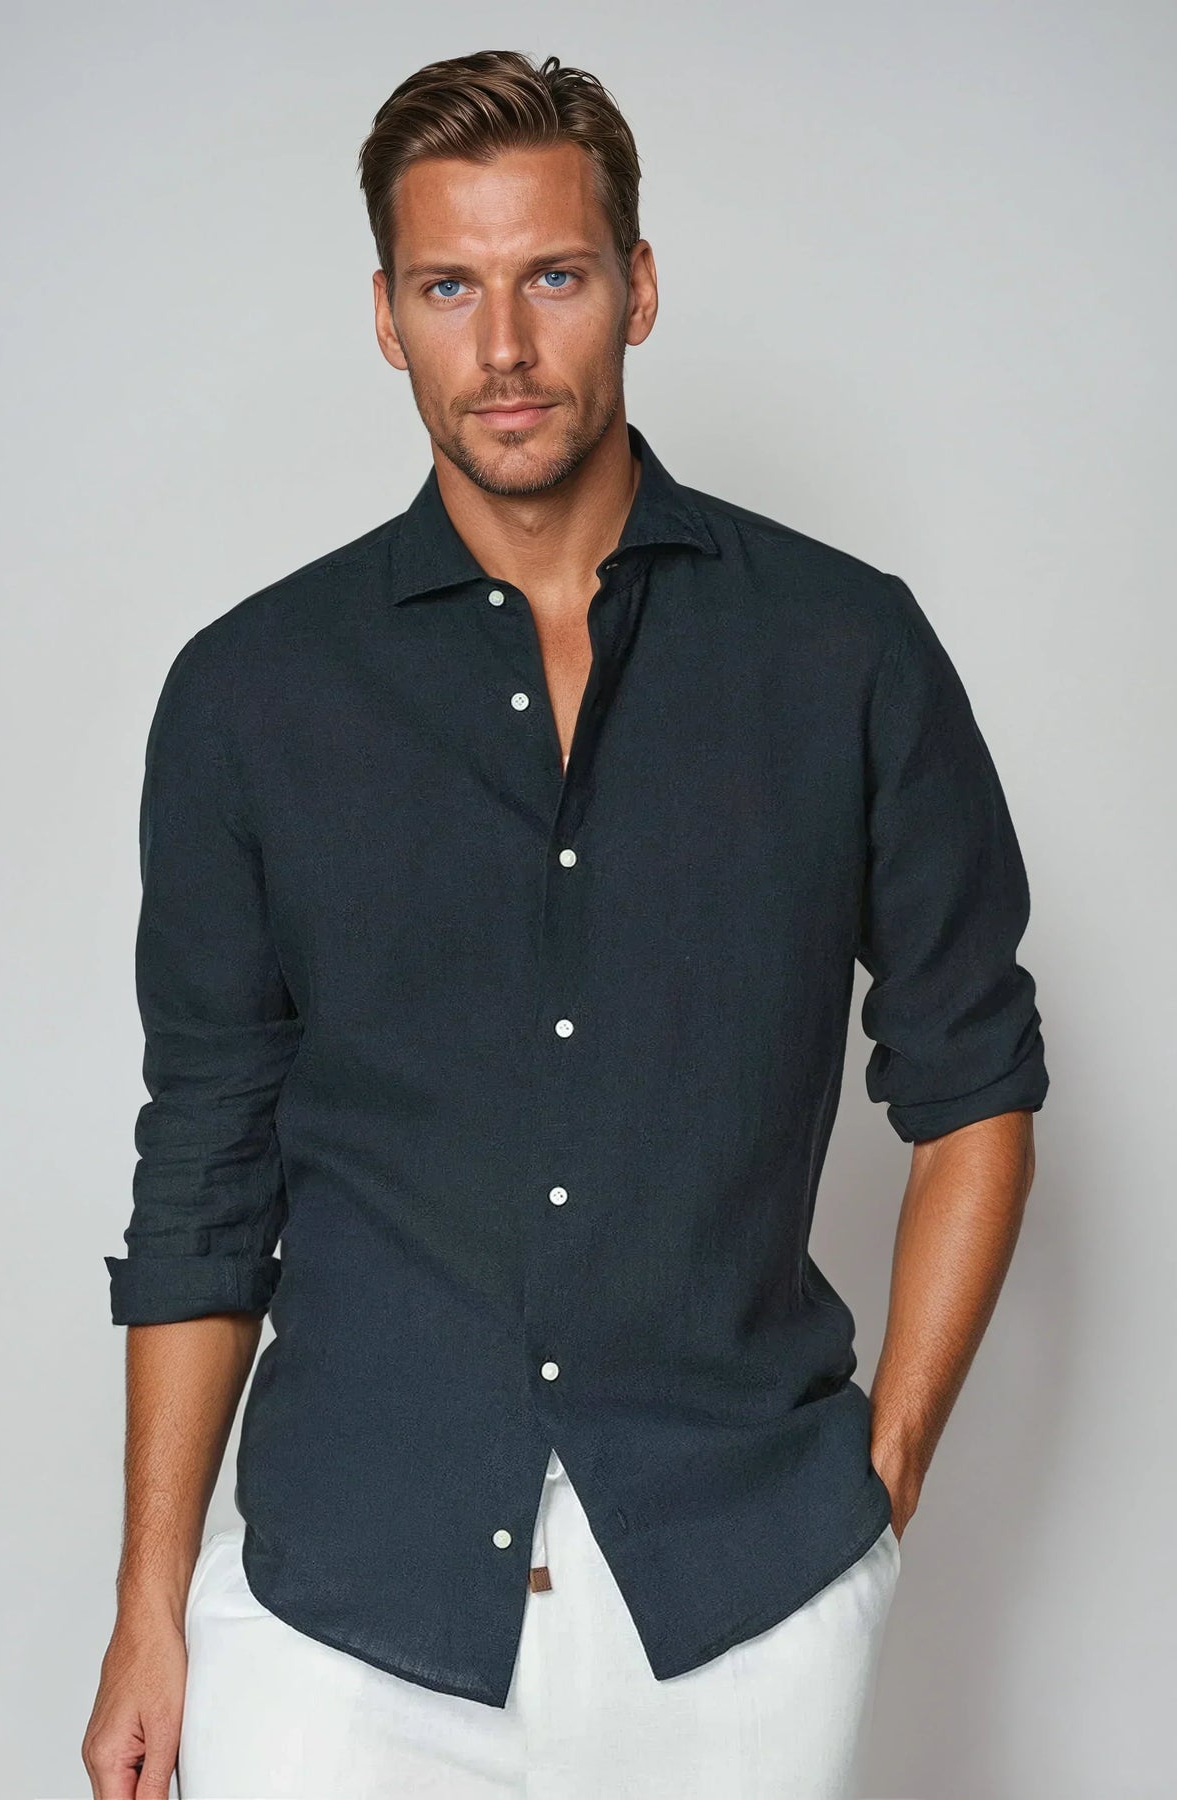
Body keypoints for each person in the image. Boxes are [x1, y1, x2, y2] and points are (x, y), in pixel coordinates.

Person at [82, 48, 1049, 1800]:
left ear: (638, 288)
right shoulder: (250, 693)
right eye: (449, 287)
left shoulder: (841, 650)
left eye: (554, 276)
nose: (505, 346)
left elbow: (972, 1080)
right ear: (387, 317)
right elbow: (203, 1161)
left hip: (740, 1596)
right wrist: (149, 1605)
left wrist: (885, 1476)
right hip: (337, 1611)